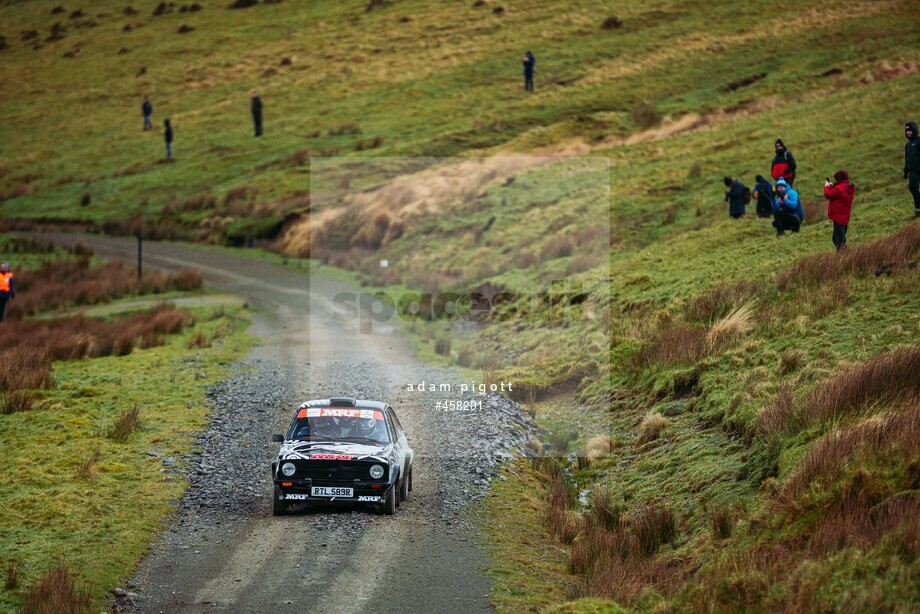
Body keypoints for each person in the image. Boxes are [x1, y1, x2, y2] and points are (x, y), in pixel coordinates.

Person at [825, 169, 855, 251]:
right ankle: (842, 256)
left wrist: (827, 186)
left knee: (839, 240)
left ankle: (844, 257)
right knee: (837, 238)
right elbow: (839, 190)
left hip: (838, 217)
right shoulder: (847, 186)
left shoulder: (840, 188)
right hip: (844, 217)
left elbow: (827, 194)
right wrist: (833, 186)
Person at [904, 121, 920, 217]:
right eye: (907, 131)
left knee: (912, 187)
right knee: (913, 188)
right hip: (912, 171)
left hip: (918, 170)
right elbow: (907, 159)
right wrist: (905, 170)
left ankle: (918, 210)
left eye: (910, 130)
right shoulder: (908, 145)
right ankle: (918, 210)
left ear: (914, 130)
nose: (908, 132)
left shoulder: (919, 141)